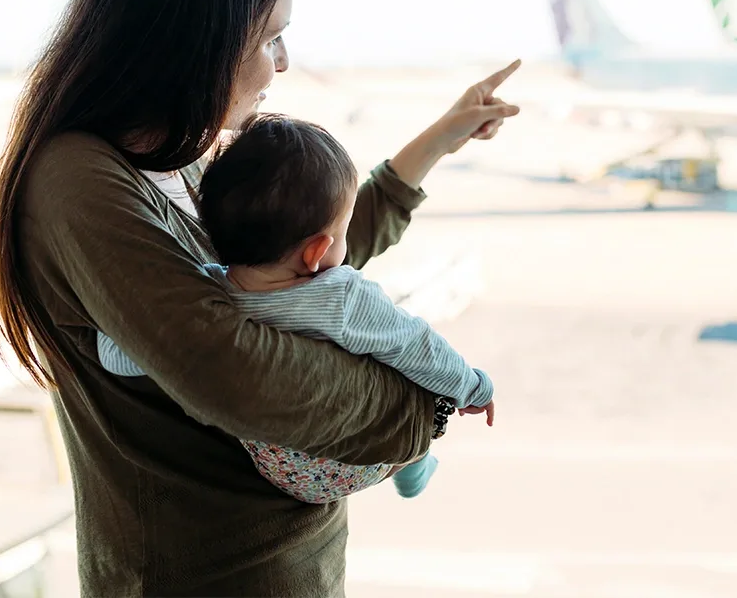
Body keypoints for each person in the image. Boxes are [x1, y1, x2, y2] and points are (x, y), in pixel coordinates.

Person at [0, 0, 520, 597]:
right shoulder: (79, 182)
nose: (285, 63)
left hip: (288, 569)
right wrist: (422, 410)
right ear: (196, 42)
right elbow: (234, 372)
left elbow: (306, 259)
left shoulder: (181, 163)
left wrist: (437, 142)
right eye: (271, 38)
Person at [94, 112, 496, 504]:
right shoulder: (340, 297)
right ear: (317, 251)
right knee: (398, 356)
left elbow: (127, 352)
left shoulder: (207, 293)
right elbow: (417, 345)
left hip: (283, 472)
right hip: (357, 459)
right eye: (342, 231)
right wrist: (472, 386)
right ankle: (413, 466)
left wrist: (106, 330)